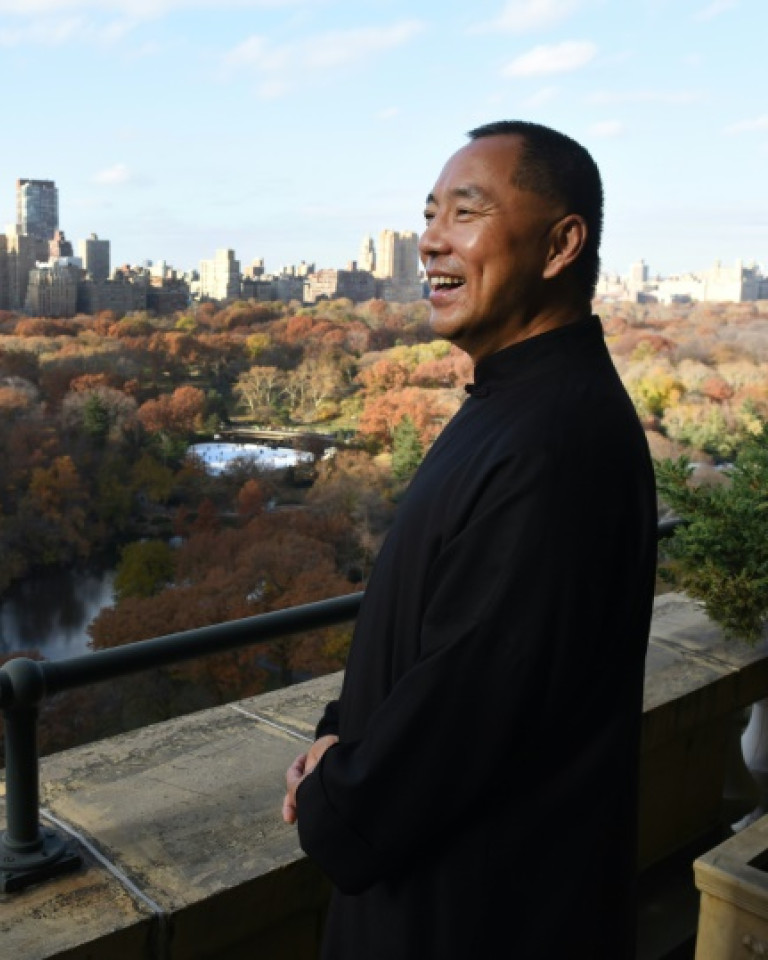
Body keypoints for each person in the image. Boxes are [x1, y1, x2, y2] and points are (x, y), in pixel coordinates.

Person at [281, 120, 656, 959]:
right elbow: (434, 623)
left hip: (470, 918)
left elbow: (466, 707)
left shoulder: (554, 447)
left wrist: (336, 796)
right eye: (427, 215)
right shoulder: (519, 406)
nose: (430, 241)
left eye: (465, 212)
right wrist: (335, 731)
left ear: (562, 244)